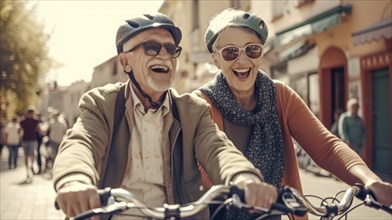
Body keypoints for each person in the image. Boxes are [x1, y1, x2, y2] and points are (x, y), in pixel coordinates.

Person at [53, 12, 279, 220]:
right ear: (125, 62)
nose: (164, 55)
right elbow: (81, 143)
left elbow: (218, 149)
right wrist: (75, 180)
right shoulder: (103, 104)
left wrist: (244, 177)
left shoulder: (193, 110)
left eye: (171, 49)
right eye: (151, 47)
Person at [194, 8, 392, 220]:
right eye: (230, 52)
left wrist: (369, 179)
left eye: (252, 50)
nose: (242, 61)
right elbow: (208, 167)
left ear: (261, 54)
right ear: (216, 59)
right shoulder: (202, 104)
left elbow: (327, 148)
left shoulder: (280, 96)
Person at [19, 107, 41, 181]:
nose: (31, 115)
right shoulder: (23, 120)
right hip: (25, 140)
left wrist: (43, 133)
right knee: (26, 156)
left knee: (32, 154)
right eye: (30, 113)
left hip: (32, 140)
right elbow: (20, 129)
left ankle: (31, 165)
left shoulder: (36, 120)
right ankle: (27, 170)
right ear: (28, 113)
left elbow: (38, 128)